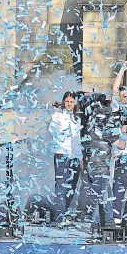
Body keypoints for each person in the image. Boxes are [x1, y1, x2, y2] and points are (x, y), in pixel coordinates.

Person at [76, 93, 123, 227]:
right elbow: (121, 144)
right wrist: (124, 132)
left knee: (106, 196)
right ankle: (97, 225)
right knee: (100, 197)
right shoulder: (106, 128)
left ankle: (108, 222)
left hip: (93, 166)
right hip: (101, 168)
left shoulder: (89, 124)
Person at [49, 91, 83, 225]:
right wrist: (57, 114)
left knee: (71, 187)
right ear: (64, 102)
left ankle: (66, 213)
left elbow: (78, 139)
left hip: (74, 155)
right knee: (61, 187)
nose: (69, 104)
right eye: (67, 101)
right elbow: (52, 131)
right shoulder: (57, 116)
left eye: (71, 102)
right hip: (62, 154)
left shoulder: (77, 118)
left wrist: (80, 158)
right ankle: (59, 218)